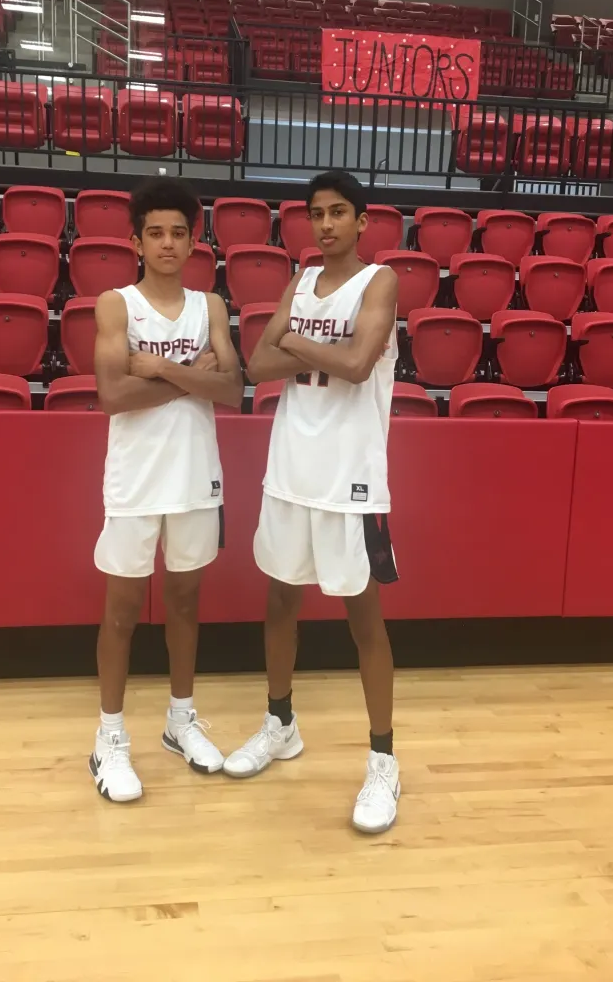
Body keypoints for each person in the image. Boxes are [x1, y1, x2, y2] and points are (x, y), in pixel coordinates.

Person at [223, 170, 400, 834]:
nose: (324, 225)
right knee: (279, 599)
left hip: (350, 477)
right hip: (290, 466)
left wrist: (291, 340)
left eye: (337, 214)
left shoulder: (378, 281)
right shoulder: (300, 283)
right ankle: (281, 725)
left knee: (364, 617)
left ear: (362, 222)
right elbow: (254, 364)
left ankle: (383, 760)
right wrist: (300, 345)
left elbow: (356, 365)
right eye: (315, 215)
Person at [90, 177, 243, 802]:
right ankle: (109, 738)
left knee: (184, 603)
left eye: (179, 232)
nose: (168, 243)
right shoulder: (115, 304)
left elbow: (233, 390)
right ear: (137, 240)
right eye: (156, 232)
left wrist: (159, 367)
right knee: (121, 613)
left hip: (195, 476)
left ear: (194, 240)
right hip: (134, 478)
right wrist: (191, 376)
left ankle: (180, 722)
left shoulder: (210, 306)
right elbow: (112, 396)